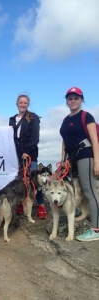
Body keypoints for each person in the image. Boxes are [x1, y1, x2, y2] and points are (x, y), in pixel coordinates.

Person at [60, 87, 99, 241]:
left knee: (90, 192)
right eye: (70, 98)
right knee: (80, 190)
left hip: (85, 156)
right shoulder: (65, 119)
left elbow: (94, 140)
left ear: (81, 99)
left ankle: (96, 230)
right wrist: (63, 160)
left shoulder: (86, 116)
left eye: (76, 98)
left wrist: (97, 162)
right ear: (67, 100)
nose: (73, 101)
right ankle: (86, 216)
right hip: (72, 158)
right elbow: (64, 140)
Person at [9, 94, 47, 219]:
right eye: (21, 102)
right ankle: (21, 203)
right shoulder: (12, 119)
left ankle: (41, 205)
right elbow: (9, 136)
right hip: (17, 154)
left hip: (30, 154)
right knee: (20, 179)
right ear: (16, 104)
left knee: (35, 181)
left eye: (25, 103)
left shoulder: (33, 118)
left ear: (28, 104)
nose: (23, 105)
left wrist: (28, 152)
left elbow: (35, 137)